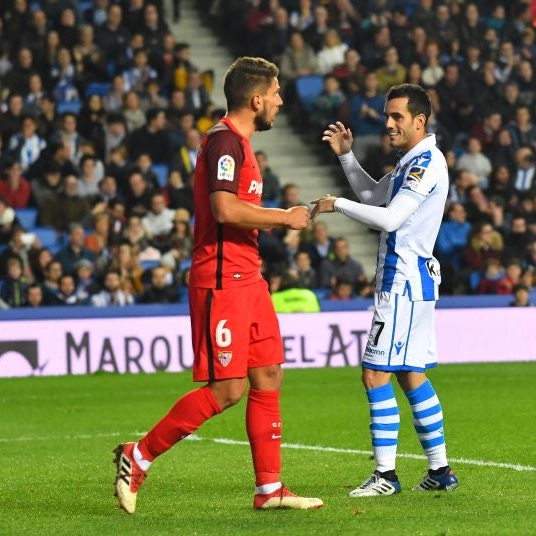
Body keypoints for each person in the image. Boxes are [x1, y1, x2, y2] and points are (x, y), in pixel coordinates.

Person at [113, 57, 321, 514]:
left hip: (250, 278)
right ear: (256, 98)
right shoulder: (225, 142)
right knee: (227, 390)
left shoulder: (239, 144)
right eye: (277, 92)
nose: (281, 101)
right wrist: (284, 218)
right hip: (221, 279)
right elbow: (225, 210)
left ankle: (269, 489)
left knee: (268, 375)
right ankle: (139, 455)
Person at [311, 84, 458, 496]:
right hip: (414, 281)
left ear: (418, 121)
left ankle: (385, 476)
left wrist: (335, 204)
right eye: (387, 116)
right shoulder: (413, 160)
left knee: (375, 374)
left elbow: (390, 218)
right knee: (411, 375)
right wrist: (345, 157)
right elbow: (375, 195)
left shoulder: (425, 162)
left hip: (403, 283)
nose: (388, 124)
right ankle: (441, 471)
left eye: (396, 117)